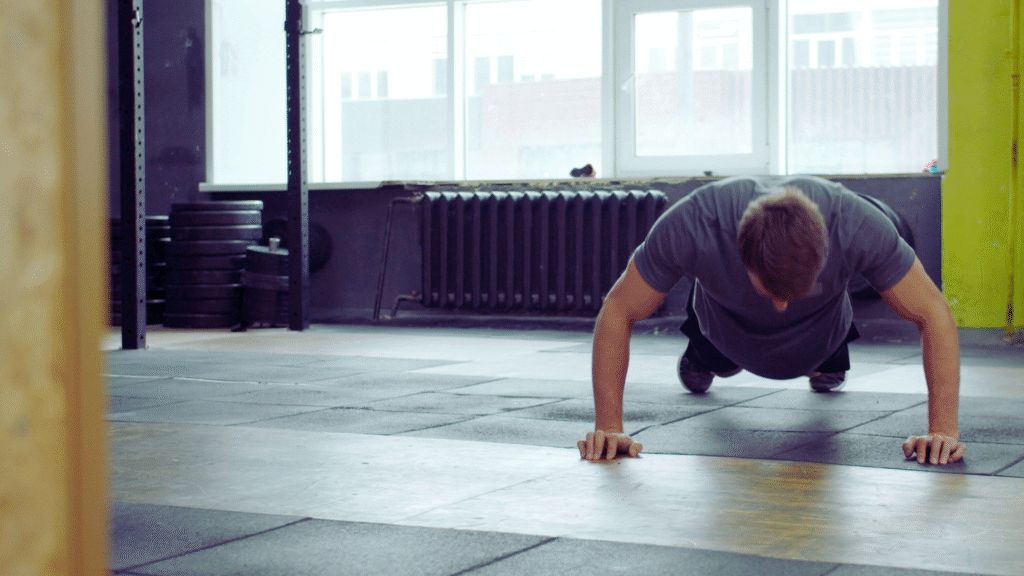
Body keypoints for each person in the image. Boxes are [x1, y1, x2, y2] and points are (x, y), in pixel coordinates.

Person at [577, 175, 965, 466]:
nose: (781, 307)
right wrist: (609, 427)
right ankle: (703, 356)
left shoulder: (856, 224)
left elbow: (932, 311)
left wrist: (942, 431)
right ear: (740, 254)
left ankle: (822, 362)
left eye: (792, 294)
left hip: (821, 336)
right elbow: (619, 308)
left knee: (826, 376)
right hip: (722, 331)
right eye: (769, 292)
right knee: (715, 362)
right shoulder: (695, 224)